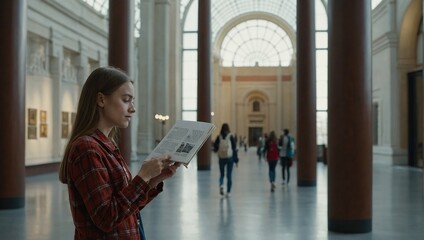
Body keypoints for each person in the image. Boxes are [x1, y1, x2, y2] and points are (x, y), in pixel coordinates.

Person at [58, 66, 181, 239]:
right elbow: (107, 217)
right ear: (101, 99)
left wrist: (154, 179)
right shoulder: (87, 148)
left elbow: (128, 207)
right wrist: (143, 176)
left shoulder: (107, 145)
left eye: (133, 101)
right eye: (126, 100)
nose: (133, 108)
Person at [213, 123, 237, 197]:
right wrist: (236, 159)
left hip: (221, 158)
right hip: (229, 158)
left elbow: (215, 147)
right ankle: (228, 192)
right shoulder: (231, 136)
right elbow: (234, 148)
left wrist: (216, 149)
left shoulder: (219, 137)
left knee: (222, 174)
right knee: (229, 174)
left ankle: (221, 185)